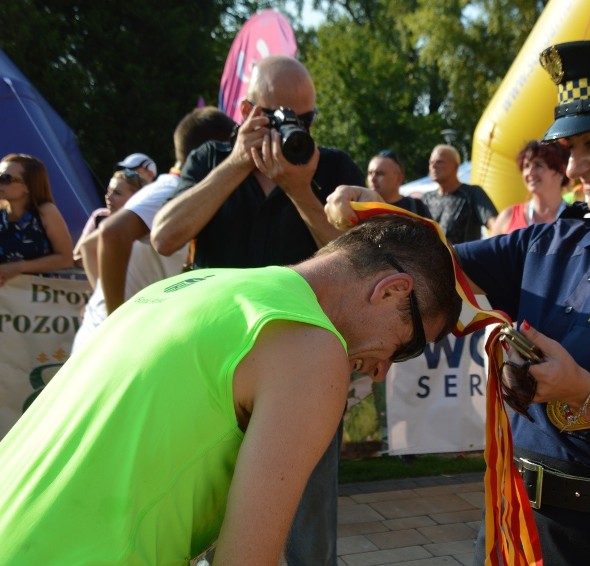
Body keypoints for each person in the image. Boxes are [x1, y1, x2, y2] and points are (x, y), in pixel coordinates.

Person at [326, 39, 590, 565]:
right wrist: (362, 213)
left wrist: (583, 390)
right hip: (520, 532)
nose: (576, 166)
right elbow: (419, 268)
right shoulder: (548, 243)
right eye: (571, 148)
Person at [0, 214, 463, 564]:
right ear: (392, 290)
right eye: (406, 346)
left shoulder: (187, 286)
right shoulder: (310, 347)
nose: (383, 371)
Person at [150, 55, 364, 565]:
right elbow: (165, 235)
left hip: (304, 367)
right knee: (202, 514)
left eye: (306, 119)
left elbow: (362, 261)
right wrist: (235, 164)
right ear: (248, 110)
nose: (296, 129)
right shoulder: (211, 158)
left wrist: (298, 189)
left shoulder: (329, 167)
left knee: (307, 530)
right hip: (215, 366)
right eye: (281, 115)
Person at [71, 108, 236, 352]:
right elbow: (110, 233)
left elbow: (91, 245)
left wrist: (102, 300)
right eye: (227, 152)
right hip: (110, 345)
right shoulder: (171, 190)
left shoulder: (169, 187)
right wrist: (115, 318)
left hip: (106, 339)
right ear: (209, 152)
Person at [0, 153, 73, 285]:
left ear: (28, 186)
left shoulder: (46, 212)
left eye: (5, 178)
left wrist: (20, 267)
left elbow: (66, 258)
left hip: (38, 298)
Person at [73, 169, 148, 276]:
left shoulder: (146, 223)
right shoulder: (100, 216)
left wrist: (93, 258)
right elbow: (77, 255)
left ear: (136, 198)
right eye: (108, 191)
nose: (108, 197)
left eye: (117, 193)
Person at [421, 144, 497, 243]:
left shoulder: (472, 193)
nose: (433, 166)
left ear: (455, 166)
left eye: (439, 162)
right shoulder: (426, 199)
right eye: (431, 162)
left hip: (464, 257)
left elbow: (496, 225)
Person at [491, 140, 569, 235]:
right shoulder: (507, 218)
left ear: (561, 170)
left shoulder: (577, 218)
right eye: (526, 166)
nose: (530, 173)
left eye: (538, 165)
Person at [366, 149, 431, 217]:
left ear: (399, 178)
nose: (372, 179)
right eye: (370, 173)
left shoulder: (416, 207)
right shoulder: (362, 208)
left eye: (380, 173)